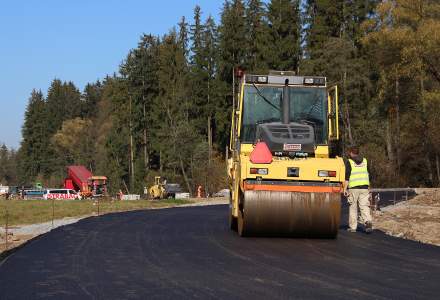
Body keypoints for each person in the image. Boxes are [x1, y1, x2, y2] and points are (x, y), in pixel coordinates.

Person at [343, 145, 373, 234]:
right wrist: (369, 186)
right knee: (364, 206)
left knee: (353, 207)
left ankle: (353, 227)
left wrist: (345, 188)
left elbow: (347, 177)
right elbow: (369, 174)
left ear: (351, 153)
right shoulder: (365, 161)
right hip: (364, 187)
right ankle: (368, 221)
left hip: (353, 188)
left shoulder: (349, 162)